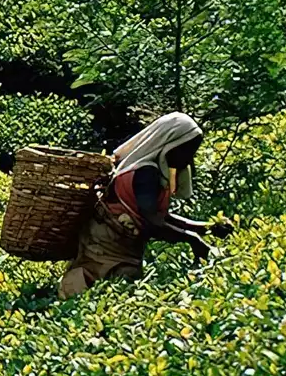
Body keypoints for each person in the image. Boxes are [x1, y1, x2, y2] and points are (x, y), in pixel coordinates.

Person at [60, 113, 220, 299]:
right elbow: (151, 222)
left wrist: (205, 228)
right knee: (106, 287)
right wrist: (192, 239)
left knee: (113, 286)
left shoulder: (150, 170)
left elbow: (158, 216)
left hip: (112, 240)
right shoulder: (145, 173)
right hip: (109, 243)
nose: (189, 157)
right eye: (187, 149)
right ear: (171, 143)